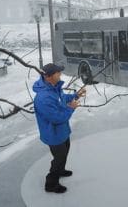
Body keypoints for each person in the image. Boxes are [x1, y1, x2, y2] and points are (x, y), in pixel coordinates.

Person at [32, 63, 86, 193]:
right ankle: (51, 183)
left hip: (62, 131)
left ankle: (60, 170)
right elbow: (57, 118)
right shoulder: (43, 97)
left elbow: (62, 99)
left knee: (65, 152)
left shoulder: (54, 87)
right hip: (53, 134)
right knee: (59, 158)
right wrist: (71, 108)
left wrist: (76, 95)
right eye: (58, 72)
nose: (60, 74)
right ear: (49, 76)